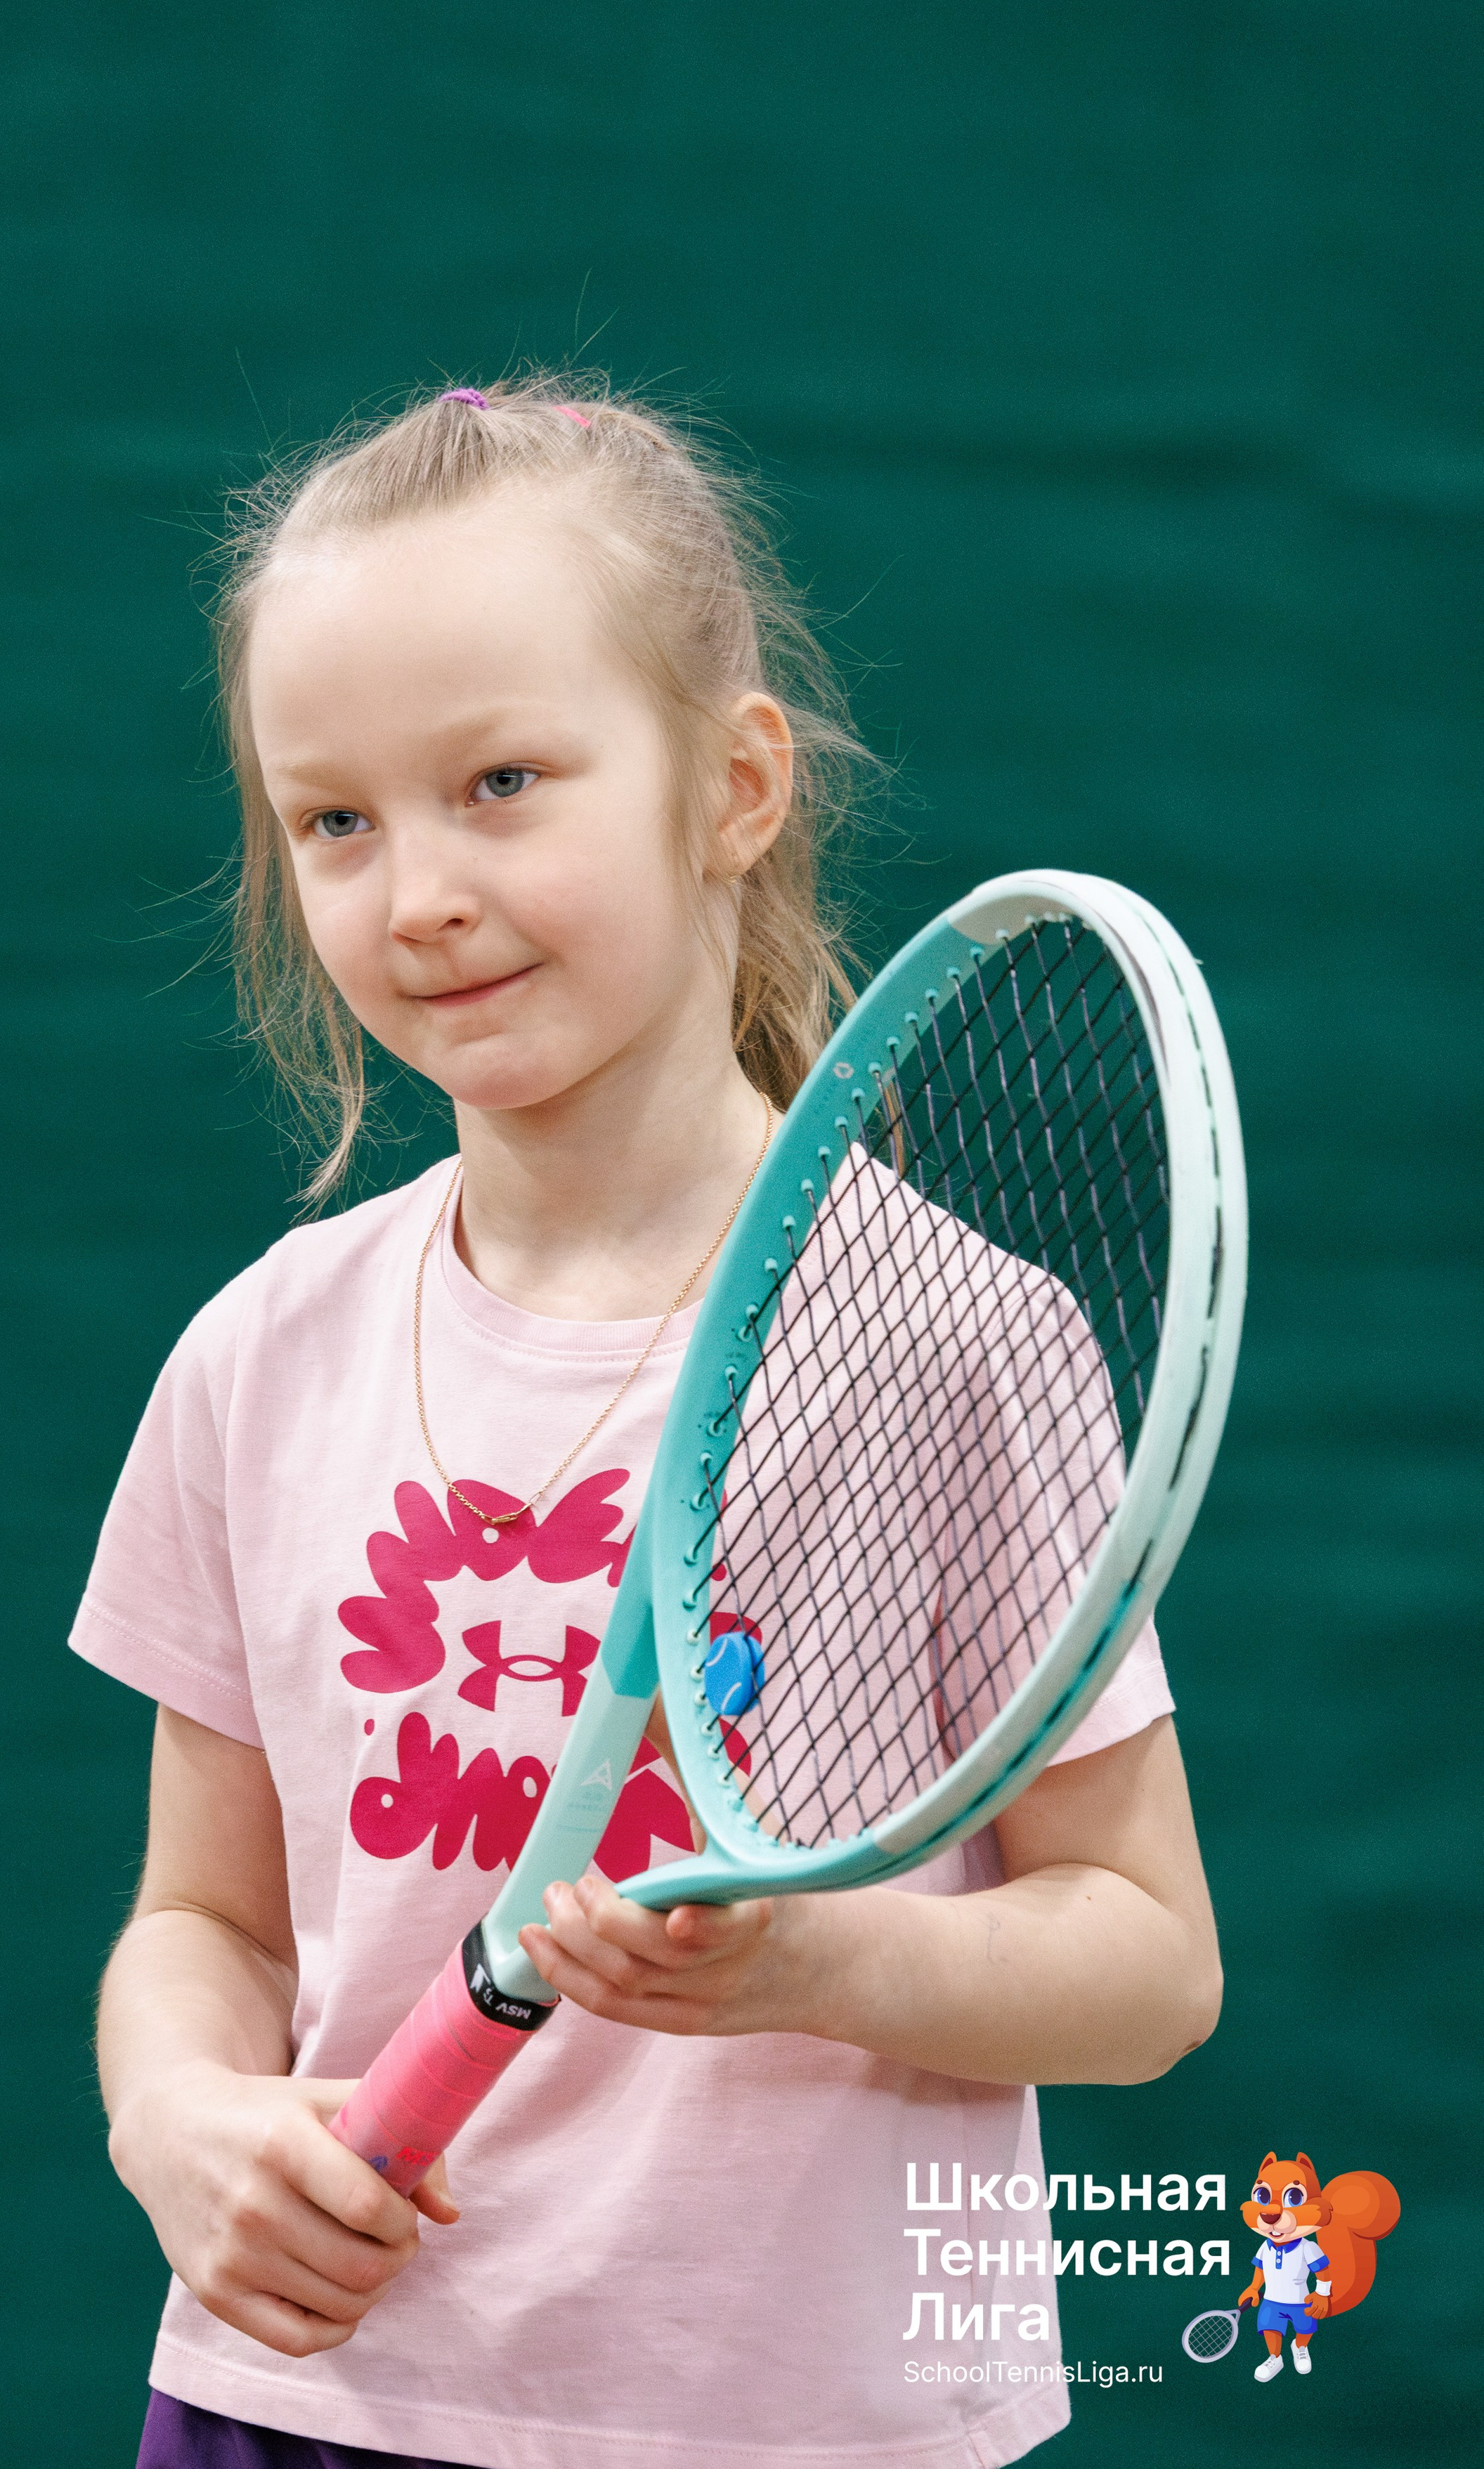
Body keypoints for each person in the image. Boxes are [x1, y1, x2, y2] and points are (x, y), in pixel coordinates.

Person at [74, 377, 1223, 2469]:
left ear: (738, 783)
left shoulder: (969, 1340)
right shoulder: (258, 1356)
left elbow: (1145, 1965)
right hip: (296, 2408)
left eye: (502, 781)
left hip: (799, 2432)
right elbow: (206, 1923)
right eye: (334, 820)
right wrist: (179, 2123)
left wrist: (823, 1962)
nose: (414, 890)